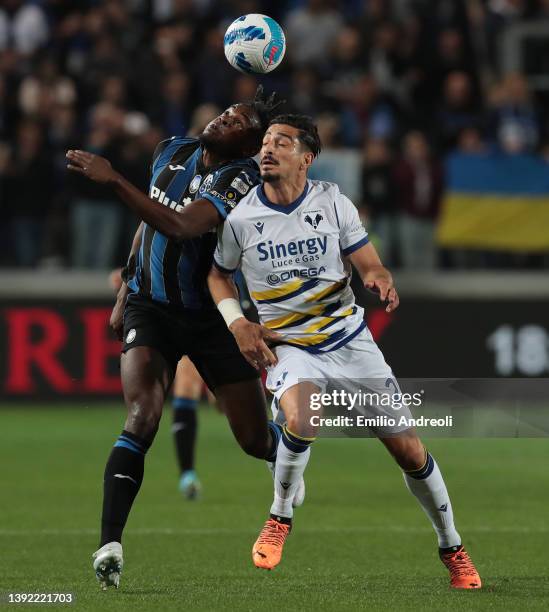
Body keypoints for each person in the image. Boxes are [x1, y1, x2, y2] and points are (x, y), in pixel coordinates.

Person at [207, 114, 481, 589]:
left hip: (350, 341)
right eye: (266, 142)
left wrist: (379, 277)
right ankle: (279, 517)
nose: (268, 150)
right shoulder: (241, 217)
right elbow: (217, 275)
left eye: (283, 143)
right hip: (290, 345)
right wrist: (238, 323)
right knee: (303, 417)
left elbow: (368, 260)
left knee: (409, 451)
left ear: (307, 158)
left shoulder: (332, 202)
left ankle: (452, 546)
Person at [66, 87, 288, 590]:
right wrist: (126, 283)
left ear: (249, 144)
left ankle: (292, 455)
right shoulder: (173, 149)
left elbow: (183, 225)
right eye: (227, 110)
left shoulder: (241, 178)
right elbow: (149, 223)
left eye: (238, 121)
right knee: (143, 414)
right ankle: (109, 546)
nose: (224, 117)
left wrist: (113, 178)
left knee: (255, 442)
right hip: (152, 307)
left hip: (212, 317)